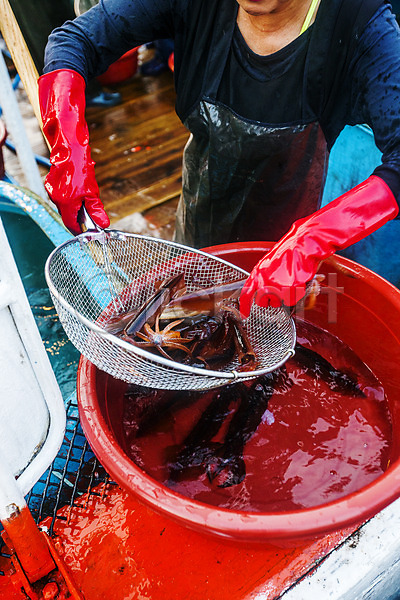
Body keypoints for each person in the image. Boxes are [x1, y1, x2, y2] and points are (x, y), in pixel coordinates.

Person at [38, 0, 400, 315]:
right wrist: (68, 148)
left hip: (286, 257)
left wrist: (313, 239)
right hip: (198, 220)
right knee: (186, 323)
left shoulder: (361, 21)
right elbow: (75, 40)